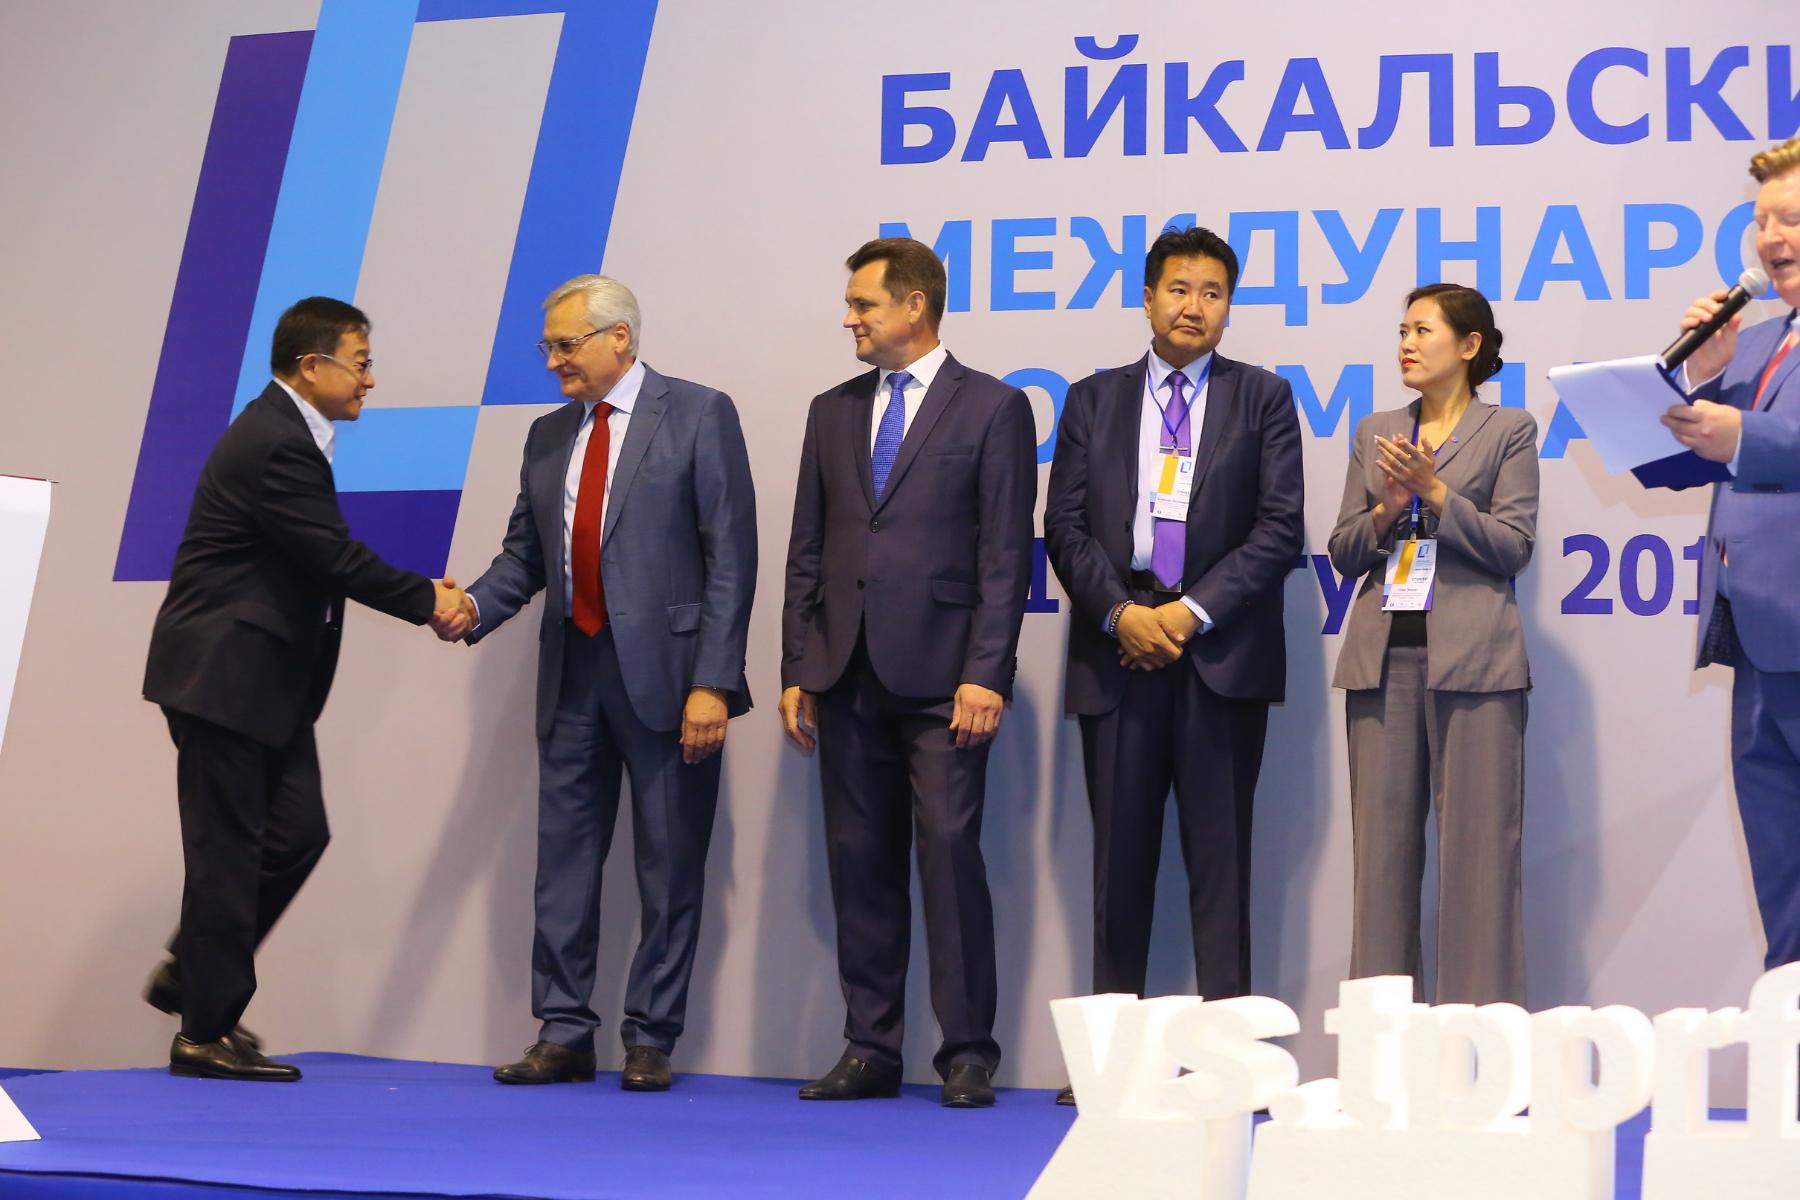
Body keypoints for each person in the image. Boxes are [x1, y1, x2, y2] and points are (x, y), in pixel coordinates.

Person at [433, 275, 756, 1092]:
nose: (553, 362)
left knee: (669, 866)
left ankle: (650, 1037)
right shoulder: (548, 435)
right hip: (573, 675)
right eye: (547, 346)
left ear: (620, 338)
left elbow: (731, 557)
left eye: (565, 345)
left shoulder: (699, 413)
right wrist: (473, 607)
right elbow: (525, 556)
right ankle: (564, 1032)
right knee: (564, 865)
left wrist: (714, 681)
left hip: (671, 681)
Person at [142, 296, 465, 1081]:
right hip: (224, 678)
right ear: (312, 366)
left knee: (295, 836)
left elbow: (317, 557)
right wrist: (427, 599)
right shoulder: (275, 443)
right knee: (227, 855)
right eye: (361, 364)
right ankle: (203, 1033)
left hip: (262, 686)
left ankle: (194, 975)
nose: (370, 381)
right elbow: (332, 556)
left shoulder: (288, 436)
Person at [1043, 225, 1303, 1104]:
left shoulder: (1263, 398)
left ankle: (1228, 1063)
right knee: (1117, 869)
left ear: (1229, 307)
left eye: (1213, 293)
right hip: (1117, 652)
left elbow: (1279, 528)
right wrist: (1123, 614)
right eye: (1180, 289)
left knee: (1221, 871)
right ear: (1148, 297)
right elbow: (1063, 527)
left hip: (1217, 655)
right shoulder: (1093, 400)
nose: (1195, 307)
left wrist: (1187, 615)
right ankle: (1113, 1065)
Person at [779, 236, 1036, 1108]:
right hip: (844, 669)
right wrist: (798, 664)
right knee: (860, 861)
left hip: (944, 679)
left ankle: (967, 1053)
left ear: (914, 305)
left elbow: (1005, 554)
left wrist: (987, 672)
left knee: (951, 856)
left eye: (864, 304)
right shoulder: (831, 410)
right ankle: (871, 1048)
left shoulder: (994, 407)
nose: (849, 319)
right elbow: (807, 547)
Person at [1327, 283, 1538, 1006]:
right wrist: (1388, 508)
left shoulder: (1509, 430)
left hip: (1477, 665)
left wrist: (1438, 495)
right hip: (1382, 662)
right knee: (1380, 865)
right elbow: (1344, 551)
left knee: (1480, 863)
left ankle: (1480, 1044)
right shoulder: (1377, 430)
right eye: (1402, 331)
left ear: (1470, 345)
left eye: (1423, 330)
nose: (1407, 344)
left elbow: (1513, 547)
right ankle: (1382, 1044)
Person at [1659, 135, 1800, 973]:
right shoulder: (1753, 341)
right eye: (1761, 222)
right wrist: (1703, 377)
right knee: (1782, 874)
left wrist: (1742, 432)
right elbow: (1684, 462)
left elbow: (1753, 443)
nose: (1771, 238)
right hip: (1754, 638)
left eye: (1791, 219)